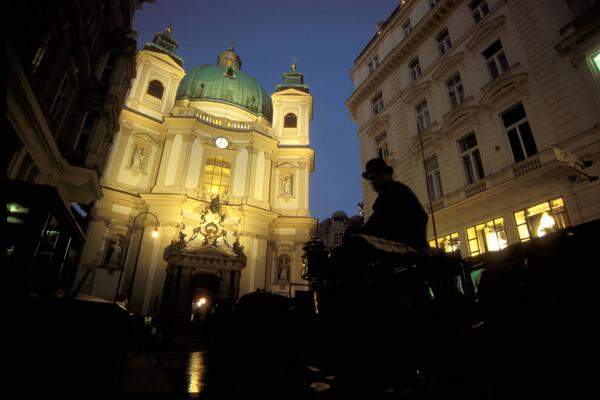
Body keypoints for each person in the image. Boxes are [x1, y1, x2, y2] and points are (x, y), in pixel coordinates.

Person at [359, 158, 428, 250]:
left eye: (376, 176)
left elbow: (373, 225)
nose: (374, 181)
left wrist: (356, 231)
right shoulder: (392, 191)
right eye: (371, 178)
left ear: (386, 175)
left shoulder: (393, 192)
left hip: (407, 248)